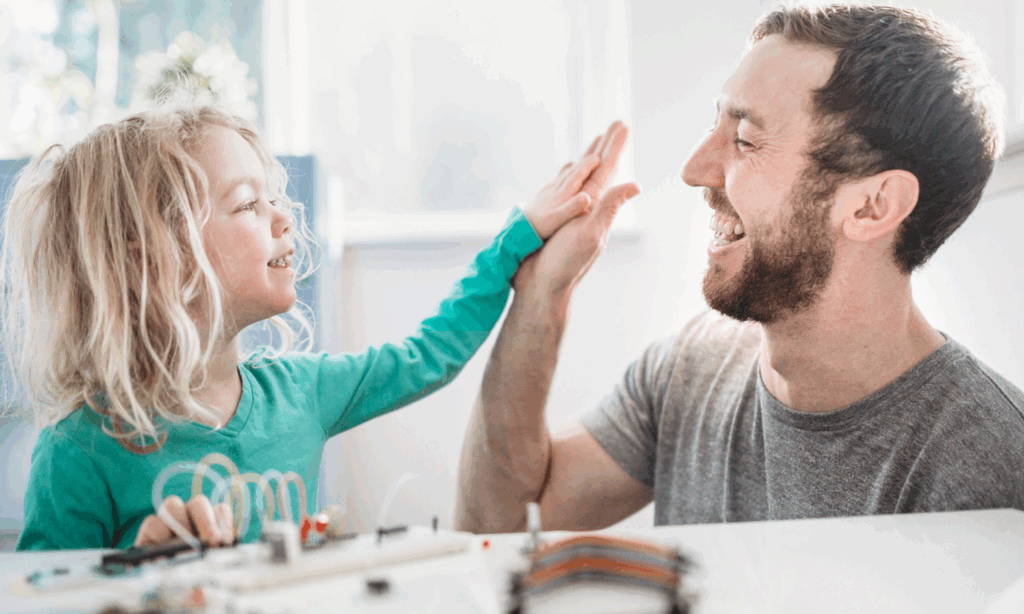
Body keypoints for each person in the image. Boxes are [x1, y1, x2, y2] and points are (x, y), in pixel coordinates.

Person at [455, 3, 1024, 534]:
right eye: (715, 126)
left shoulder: (987, 469)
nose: (694, 168)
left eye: (746, 140)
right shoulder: (694, 365)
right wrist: (540, 291)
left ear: (873, 206)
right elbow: (502, 524)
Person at [4, 99, 638, 550]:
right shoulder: (79, 450)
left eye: (273, 197)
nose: (284, 218)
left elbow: (431, 354)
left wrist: (518, 239)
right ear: (153, 258)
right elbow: (40, 597)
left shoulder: (301, 391)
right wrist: (130, 571)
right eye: (248, 204)